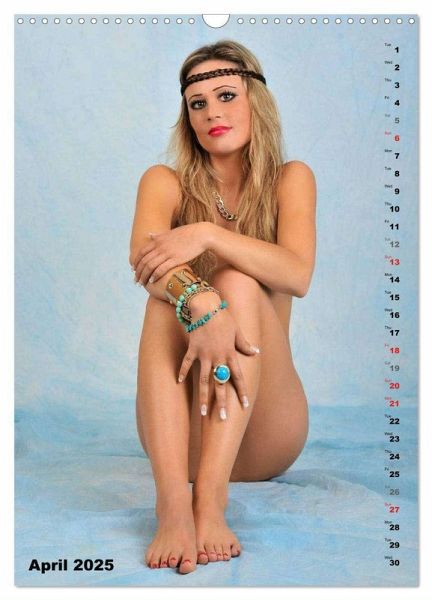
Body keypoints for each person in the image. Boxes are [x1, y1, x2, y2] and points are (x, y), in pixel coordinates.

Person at [129, 40, 316, 575]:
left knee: (236, 279)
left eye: (226, 95)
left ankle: (211, 502)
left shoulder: (290, 179)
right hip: (180, 438)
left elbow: (297, 275)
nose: (212, 112)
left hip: (265, 431)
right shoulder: (163, 182)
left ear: (256, 99)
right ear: (187, 118)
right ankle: (173, 505)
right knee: (167, 293)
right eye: (198, 103)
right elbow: (144, 262)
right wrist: (201, 302)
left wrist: (210, 235)